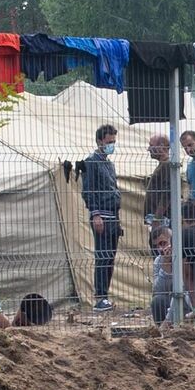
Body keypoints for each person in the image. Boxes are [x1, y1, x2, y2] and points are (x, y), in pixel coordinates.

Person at [81, 123, 122, 311]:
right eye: (108, 142)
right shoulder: (92, 162)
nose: (111, 145)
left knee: (110, 257)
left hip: (113, 216)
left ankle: (105, 296)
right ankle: (99, 297)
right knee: (102, 256)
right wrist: (95, 214)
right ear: (99, 141)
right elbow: (89, 191)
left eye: (113, 141)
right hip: (102, 216)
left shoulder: (109, 163)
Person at [148, 225, 191, 323]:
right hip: (171, 299)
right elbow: (158, 290)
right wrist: (166, 266)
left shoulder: (186, 255)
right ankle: (162, 333)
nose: (161, 248)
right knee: (157, 301)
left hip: (189, 299)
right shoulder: (159, 260)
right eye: (157, 246)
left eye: (163, 243)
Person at [143, 133, 180, 229]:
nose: (148, 149)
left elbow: (168, 194)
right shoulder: (163, 164)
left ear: (161, 146)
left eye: (151, 145)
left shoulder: (167, 165)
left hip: (163, 221)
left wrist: (157, 218)